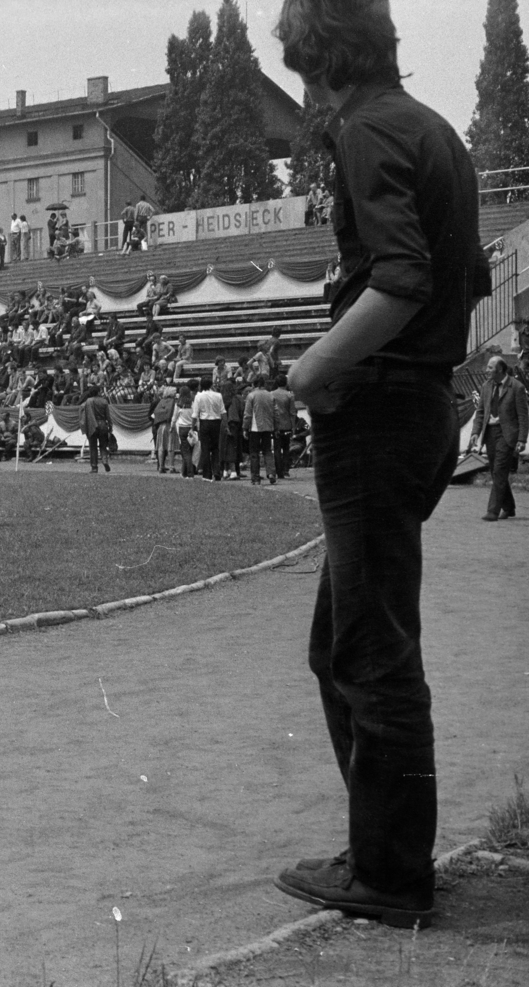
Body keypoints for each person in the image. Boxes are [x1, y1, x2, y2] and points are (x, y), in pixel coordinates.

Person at [270, 0, 495, 930]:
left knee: (370, 653)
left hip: (376, 406)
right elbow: (467, 278)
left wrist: (314, 366)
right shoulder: (434, 129)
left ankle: (392, 875)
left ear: (321, 55)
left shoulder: (364, 130)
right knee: (343, 647)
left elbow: (401, 277)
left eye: (300, 66)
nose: (302, 88)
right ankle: (378, 848)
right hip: (423, 401)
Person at [468, 355, 527, 520]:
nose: (486, 370)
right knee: (496, 472)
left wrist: (522, 439)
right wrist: (475, 433)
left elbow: (523, 416)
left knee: (500, 470)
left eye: (490, 367)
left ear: (499, 369)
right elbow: (480, 412)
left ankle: (492, 511)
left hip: (507, 434)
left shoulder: (517, 387)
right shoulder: (486, 387)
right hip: (490, 434)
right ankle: (509, 507)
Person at [243, 373, 278, 484]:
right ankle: (271, 473)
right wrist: (276, 427)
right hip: (268, 427)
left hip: (255, 428)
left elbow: (248, 414)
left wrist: (245, 427)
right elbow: (276, 413)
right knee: (268, 450)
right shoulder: (271, 395)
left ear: (254, 384)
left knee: (254, 452)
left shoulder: (251, 396)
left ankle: (255, 476)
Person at [191, 375, 224, 481]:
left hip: (205, 422)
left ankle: (207, 473)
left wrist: (193, 427)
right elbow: (223, 412)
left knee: (205, 448)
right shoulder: (218, 395)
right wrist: (225, 424)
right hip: (216, 421)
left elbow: (195, 414)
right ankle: (217, 471)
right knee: (215, 448)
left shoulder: (199, 396)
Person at [80, 385, 112, 473]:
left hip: (92, 424)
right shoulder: (104, 401)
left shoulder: (88, 401)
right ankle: (105, 460)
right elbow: (108, 416)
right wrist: (110, 426)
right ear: (98, 392)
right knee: (103, 446)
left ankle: (94, 467)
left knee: (93, 447)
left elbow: (83, 413)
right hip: (103, 424)